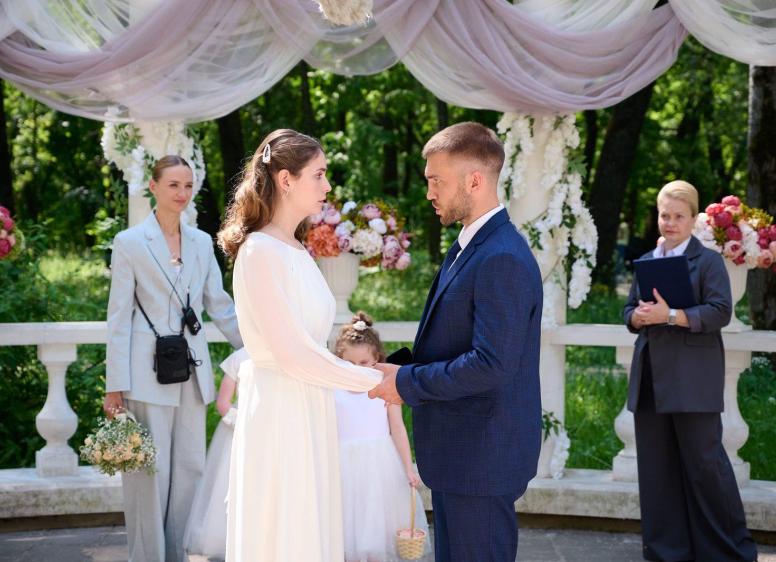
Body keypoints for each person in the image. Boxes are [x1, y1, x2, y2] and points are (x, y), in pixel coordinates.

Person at [369, 122, 543, 562]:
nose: (429, 192)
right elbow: (451, 342)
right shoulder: (471, 245)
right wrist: (393, 369)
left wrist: (407, 383)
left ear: (475, 181)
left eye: (437, 181)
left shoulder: (501, 256)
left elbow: (491, 363)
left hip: (481, 458)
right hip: (461, 454)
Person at [217, 129, 382, 562]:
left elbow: (311, 345)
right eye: (319, 174)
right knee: (285, 529)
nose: (328, 186)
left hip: (310, 402)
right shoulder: (259, 251)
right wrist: (373, 381)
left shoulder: (296, 247)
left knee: (311, 527)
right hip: (281, 408)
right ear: (286, 179)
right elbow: (291, 353)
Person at [103, 155, 243, 562]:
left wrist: (258, 347)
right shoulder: (129, 242)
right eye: (173, 185)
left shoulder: (201, 242)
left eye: (188, 185)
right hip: (144, 373)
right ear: (153, 187)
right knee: (149, 473)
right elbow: (118, 319)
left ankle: (178, 556)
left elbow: (220, 305)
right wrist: (115, 386)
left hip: (192, 372)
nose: (182, 193)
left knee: (190, 470)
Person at [624, 180, 757, 562]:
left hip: (693, 380)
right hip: (651, 380)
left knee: (706, 468)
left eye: (678, 216)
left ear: (694, 218)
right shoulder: (648, 260)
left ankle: (729, 552)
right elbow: (629, 311)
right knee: (657, 471)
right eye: (664, 215)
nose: (669, 222)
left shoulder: (709, 261)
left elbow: (720, 311)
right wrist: (637, 316)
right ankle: (668, 552)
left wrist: (670, 315)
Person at [334, 312, 429, 562]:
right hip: (343, 466)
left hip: (378, 466)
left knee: (375, 523)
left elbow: (397, 429)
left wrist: (408, 468)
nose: (357, 369)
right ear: (339, 360)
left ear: (376, 359)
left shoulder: (384, 387)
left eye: (363, 362)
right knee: (347, 524)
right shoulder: (332, 390)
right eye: (349, 363)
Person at [183, 347, 248, 560]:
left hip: (270, 431)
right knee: (227, 483)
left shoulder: (278, 354)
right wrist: (242, 424)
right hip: (238, 433)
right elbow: (223, 403)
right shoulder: (239, 358)